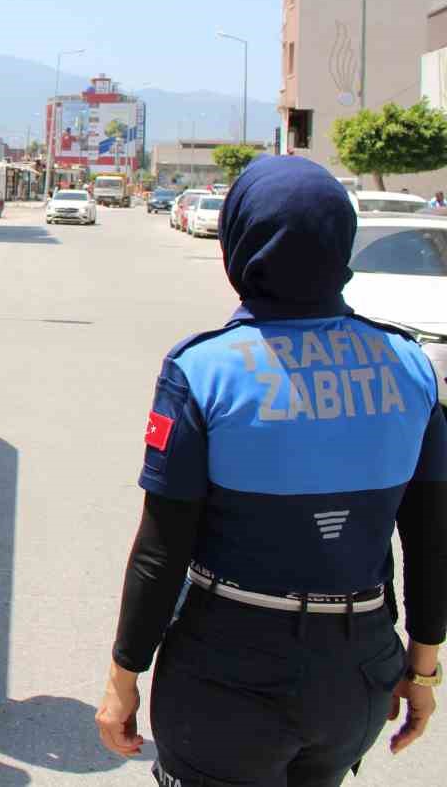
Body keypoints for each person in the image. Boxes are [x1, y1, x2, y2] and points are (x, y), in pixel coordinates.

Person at [94, 155, 446, 785]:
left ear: (240, 242)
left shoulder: (204, 370)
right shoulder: (410, 365)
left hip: (227, 670)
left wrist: (125, 676)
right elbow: (430, 536)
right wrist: (422, 667)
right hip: (357, 671)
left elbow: (162, 547)